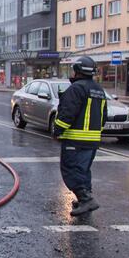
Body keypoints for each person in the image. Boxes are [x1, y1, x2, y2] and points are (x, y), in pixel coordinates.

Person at [52, 56, 107, 216]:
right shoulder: (99, 90)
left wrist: (57, 131)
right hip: (92, 140)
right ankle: (85, 197)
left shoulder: (76, 89)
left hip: (75, 140)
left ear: (77, 71)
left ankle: (86, 199)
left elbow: (67, 114)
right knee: (83, 170)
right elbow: (103, 116)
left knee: (70, 170)